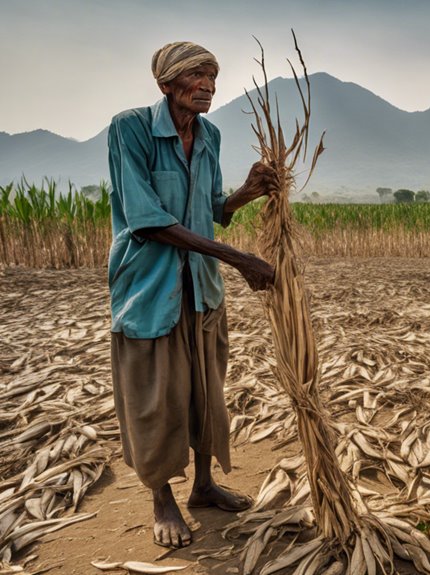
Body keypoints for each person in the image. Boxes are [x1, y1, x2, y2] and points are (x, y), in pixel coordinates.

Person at [107, 41, 278, 548]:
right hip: (150, 288)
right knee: (156, 398)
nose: (208, 86)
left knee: (207, 390)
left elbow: (211, 208)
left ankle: (203, 486)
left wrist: (246, 192)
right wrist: (239, 258)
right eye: (196, 77)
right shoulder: (131, 129)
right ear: (166, 85)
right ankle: (162, 499)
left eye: (212, 76)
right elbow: (147, 220)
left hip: (201, 287)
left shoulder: (211, 135)